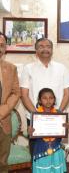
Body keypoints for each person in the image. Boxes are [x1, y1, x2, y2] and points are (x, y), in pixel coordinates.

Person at [20, 38, 69, 155]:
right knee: (37, 153)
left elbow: (67, 93)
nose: (45, 49)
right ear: (36, 50)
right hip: (35, 117)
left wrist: (59, 112)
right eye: (41, 46)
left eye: (48, 46)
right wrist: (37, 115)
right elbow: (24, 95)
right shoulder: (28, 68)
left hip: (57, 118)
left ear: (52, 50)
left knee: (56, 152)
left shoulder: (62, 68)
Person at [29, 88, 69, 173]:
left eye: (51, 98)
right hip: (41, 150)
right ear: (40, 101)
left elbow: (66, 127)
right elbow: (30, 132)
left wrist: (67, 126)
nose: (48, 100)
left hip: (56, 149)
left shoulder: (59, 114)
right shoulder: (36, 116)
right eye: (45, 98)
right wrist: (29, 131)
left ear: (54, 99)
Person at [0, 32, 20, 172]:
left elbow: (16, 92)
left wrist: (3, 111)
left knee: (2, 162)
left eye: (1, 45)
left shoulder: (11, 68)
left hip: (3, 120)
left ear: (5, 48)